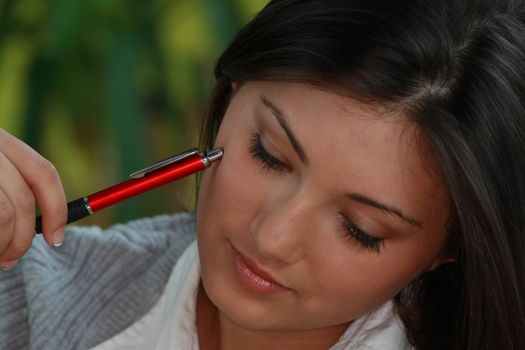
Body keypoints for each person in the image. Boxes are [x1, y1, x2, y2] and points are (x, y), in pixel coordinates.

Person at [1, 0, 524, 349]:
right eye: (269, 154)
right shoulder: (36, 300)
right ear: (232, 93)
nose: (272, 238)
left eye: (360, 228)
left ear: (449, 247)